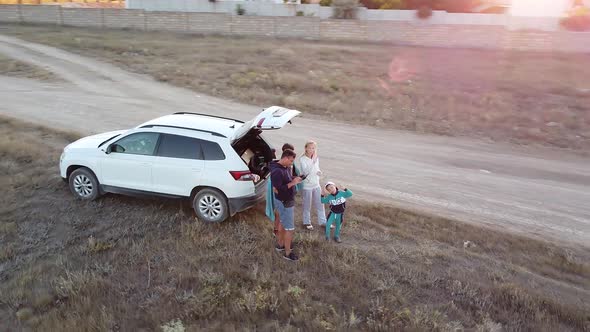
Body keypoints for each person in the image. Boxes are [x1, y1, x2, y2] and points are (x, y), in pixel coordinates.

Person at [269, 149, 302, 261]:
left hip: (285, 200)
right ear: (285, 158)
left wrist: (295, 179)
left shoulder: (285, 167)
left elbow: (285, 180)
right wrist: (293, 183)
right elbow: (279, 189)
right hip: (285, 202)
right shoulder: (277, 171)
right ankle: (287, 254)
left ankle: (280, 245)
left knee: (283, 222)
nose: (291, 163)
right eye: (291, 161)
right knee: (289, 228)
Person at [297, 140, 326, 230]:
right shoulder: (302, 159)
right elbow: (305, 172)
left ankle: (323, 222)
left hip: (316, 184)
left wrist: (319, 172)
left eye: (313, 148)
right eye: (310, 148)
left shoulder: (316, 158)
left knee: (320, 203)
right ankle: (306, 222)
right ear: (306, 148)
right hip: (307, 185)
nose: (312, 150)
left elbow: (316, 168)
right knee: (307, 204)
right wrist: (312, 162)